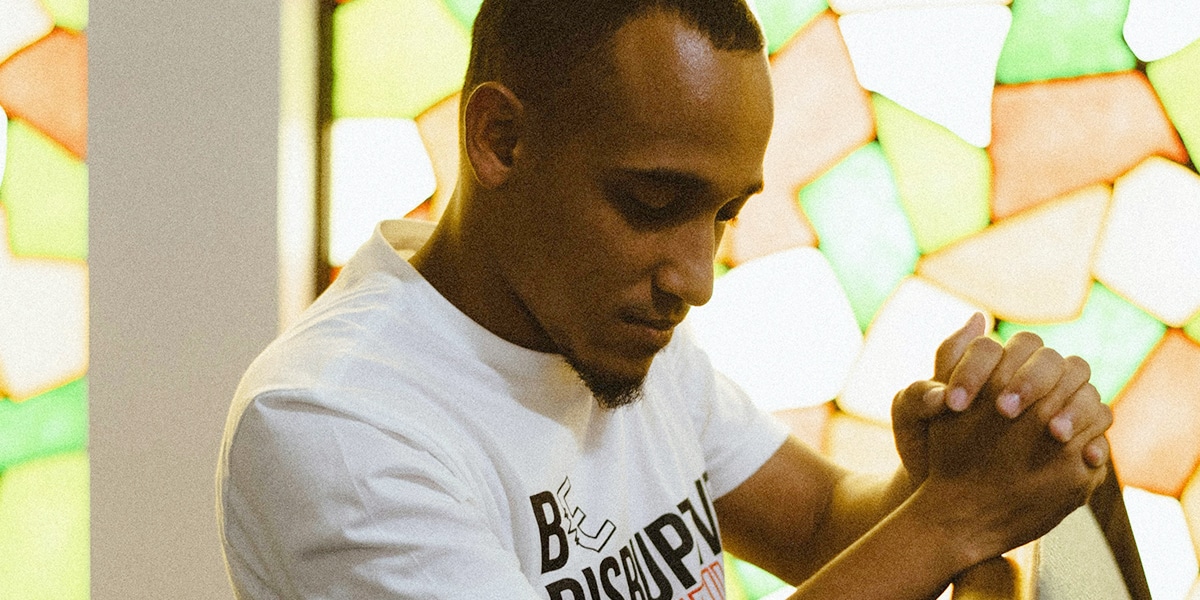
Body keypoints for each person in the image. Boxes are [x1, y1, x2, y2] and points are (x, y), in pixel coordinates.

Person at [217, 1, 1113, 598]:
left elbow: (816, 525)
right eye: (652, 204)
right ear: (501, 138)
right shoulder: (335, 421)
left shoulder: (600, 323)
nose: (696, 278)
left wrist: (938, 474)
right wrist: (950, 521)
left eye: (722, 215)